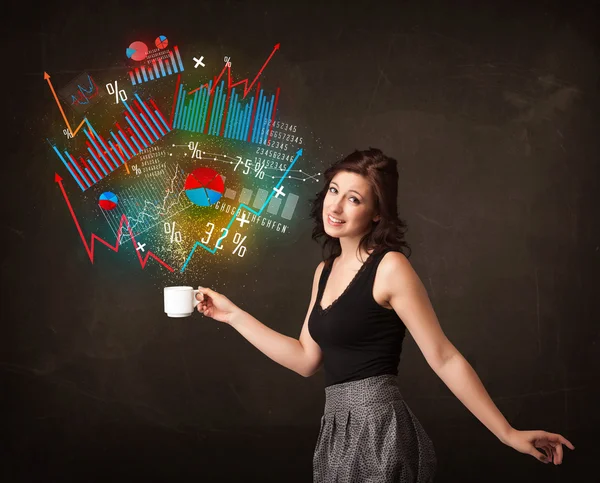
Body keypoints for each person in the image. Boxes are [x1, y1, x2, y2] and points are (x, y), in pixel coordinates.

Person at [195, 148, 575, 482]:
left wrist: (507, 433)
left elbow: (443, 357)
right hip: (336, 429)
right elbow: (306, 359)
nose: (336, 206)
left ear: (377, 214)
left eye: (354, 199)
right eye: (333, 191)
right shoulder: (324, 271)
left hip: (379, 429)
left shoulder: (390, 267)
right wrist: (232, 315)